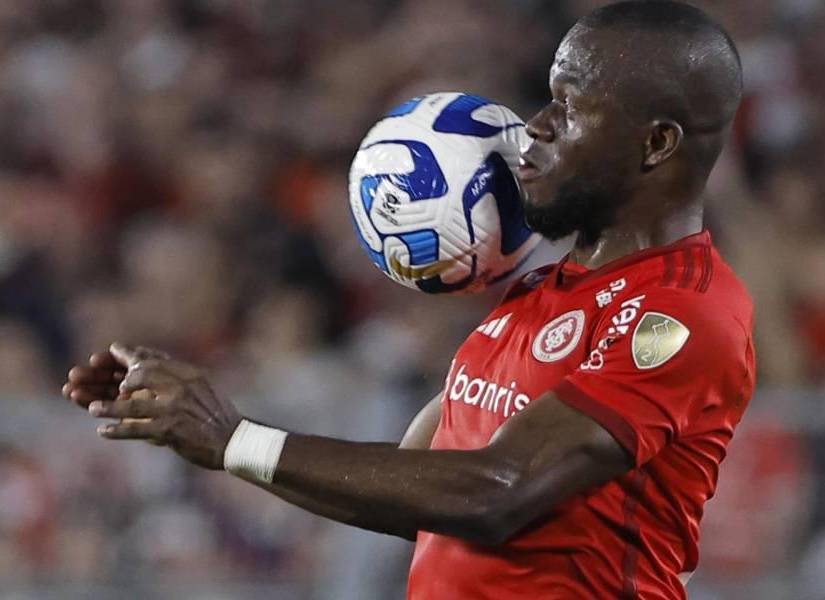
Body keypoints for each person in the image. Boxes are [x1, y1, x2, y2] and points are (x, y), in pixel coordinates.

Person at [62, 2, 755, 598]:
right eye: (548, 97)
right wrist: (202, 422)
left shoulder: (681, 311)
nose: (537, 124)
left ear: (655, 143)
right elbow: (413, 487)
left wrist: (232, 438)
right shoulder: (539, 289)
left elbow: (495, 490)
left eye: (570, 106)